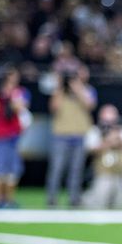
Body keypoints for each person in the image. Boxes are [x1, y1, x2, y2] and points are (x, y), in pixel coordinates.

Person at [46, 65, 97, 207]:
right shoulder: (59, 91)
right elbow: (53, 108)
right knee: (57, 169)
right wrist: (60, 87)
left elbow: (90, 105)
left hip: (79, 135)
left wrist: (78, 88)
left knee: (76, 170)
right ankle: (51, 198)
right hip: (61, 135)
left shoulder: (87, 90)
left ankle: (74, 199)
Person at [0, 68, 31, 208]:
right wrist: (0, 94)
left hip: (13, 137)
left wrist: (13, 97)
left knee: (13, 171)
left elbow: (21, 108)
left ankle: (9, 200)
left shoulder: (18, 93)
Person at [82, 104, 122, 209]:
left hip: (121, 175)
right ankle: (85, 199)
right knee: (99, 204)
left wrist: (120, 140)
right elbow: (90, 149)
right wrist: (107, 142)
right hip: (103, 174)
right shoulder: (95, 131)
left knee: (119, 205)